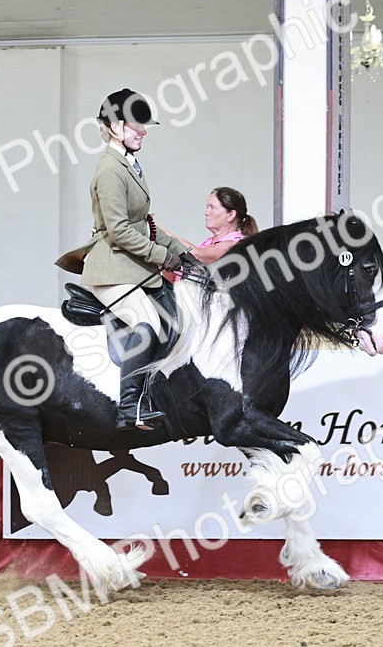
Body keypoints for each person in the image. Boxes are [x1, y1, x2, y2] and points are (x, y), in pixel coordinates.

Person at [68, 88, 191, 430]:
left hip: (133, 267)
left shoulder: (130, 165)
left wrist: (185, 254)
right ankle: (129, 408)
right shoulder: (110, 170)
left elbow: (145, 223)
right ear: (114, 126)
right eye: (137, 126)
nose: (144, 131)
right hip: (110, 269)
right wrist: (164, 257)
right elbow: (120, 231)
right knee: (146, 327)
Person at [165, 187, 259, 277]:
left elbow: (197, 255)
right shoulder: (207, 243)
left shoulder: (234, 244)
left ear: (231, 215)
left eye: (212, 208)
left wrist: (156, 230)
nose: (206, 212)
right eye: (207, 207)